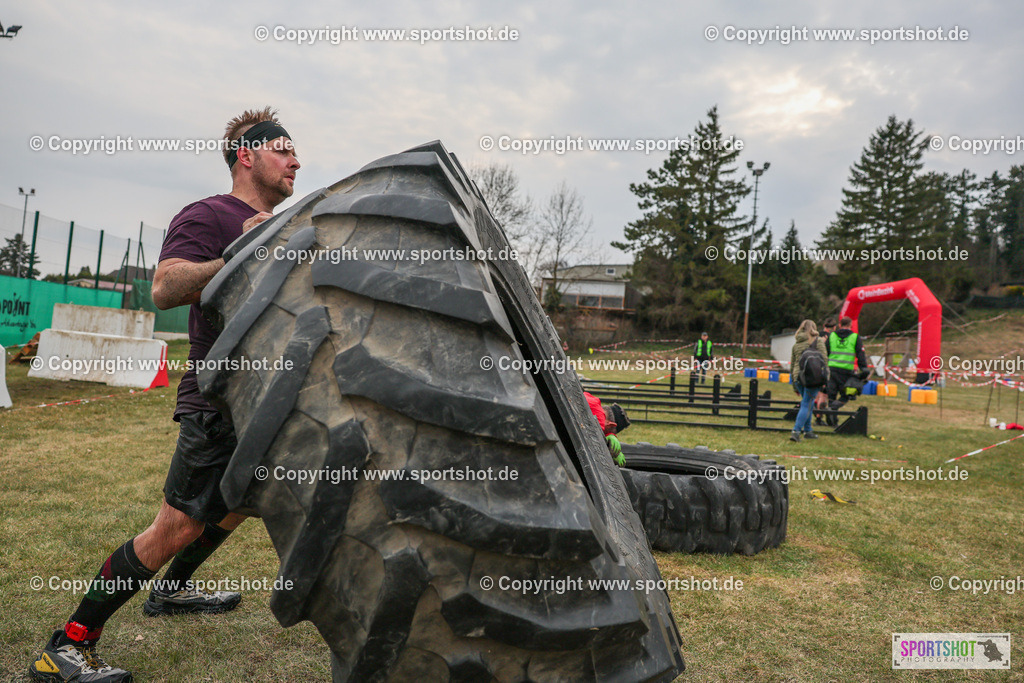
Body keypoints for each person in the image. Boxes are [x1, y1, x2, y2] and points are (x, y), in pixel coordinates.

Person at [29, 107, 300, 683]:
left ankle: (172, 592)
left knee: (241, 505)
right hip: (219, 398)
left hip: (266, 399)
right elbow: (166, 288)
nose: (295, 160)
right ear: (245, 156)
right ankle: (66, 647)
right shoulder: (209, 215)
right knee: (175, 526)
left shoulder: (285, 223)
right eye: (282, 148)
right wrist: (237, 254)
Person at [824, 316, 870, 425]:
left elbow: (825, 352)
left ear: (839, 325)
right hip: (846, 371)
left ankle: (832, 421)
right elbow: (860, 354)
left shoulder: (832, 336)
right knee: (847, 395)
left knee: (831, 395)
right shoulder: (855, 337)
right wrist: (863, 369)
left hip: (832, 369)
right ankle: (834, 409)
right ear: (850, 326)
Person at [790, 320, 829, 442]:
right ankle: (796, 431)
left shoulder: (796, 344)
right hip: (812, 377)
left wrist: (794, 384)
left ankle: (808, 431)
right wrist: (825, 378)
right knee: (806, 404)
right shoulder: (818, 341)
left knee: (808, 403)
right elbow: (824, 360)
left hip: (798, 377)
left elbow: (792, 365)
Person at [583, 391, 631, 466]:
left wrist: (609, 435)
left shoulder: (589, 397)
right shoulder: (599, 421)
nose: (604, 433)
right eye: (606, 431)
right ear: (610, 424)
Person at [814, 318, 837, 425]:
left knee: (818, 393)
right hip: (825, 366)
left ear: (824, 325)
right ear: (834, 327)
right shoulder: (831, 338)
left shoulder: (816, 335)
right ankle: (819, 418)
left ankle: (816, 412)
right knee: (824, 394)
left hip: (814, 365)